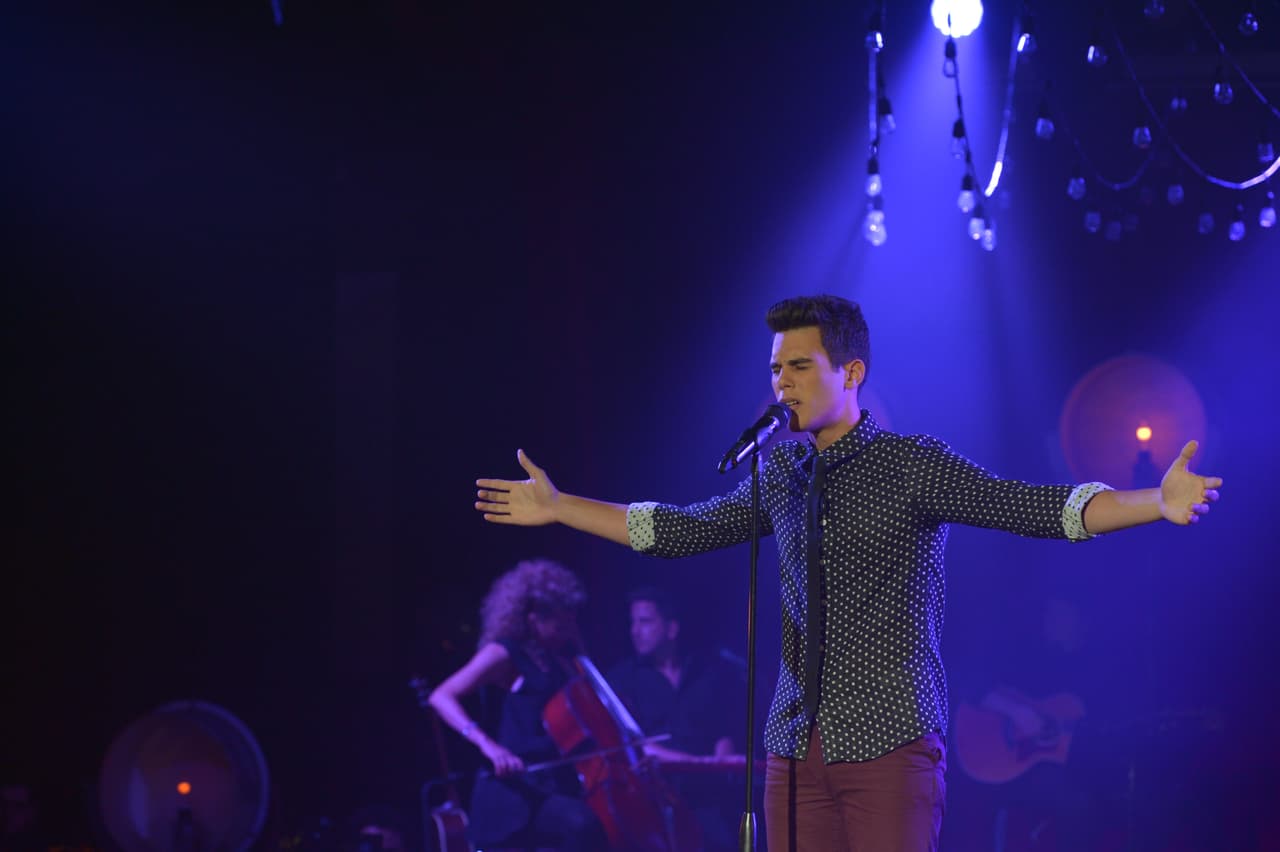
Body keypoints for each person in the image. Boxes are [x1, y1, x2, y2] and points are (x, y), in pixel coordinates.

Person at [472, 294, 1223, 851]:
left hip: (892, 742)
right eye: (774, 370)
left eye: (800, 366)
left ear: (851, 371)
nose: (782, 384)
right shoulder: (782, 475)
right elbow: (678, 529)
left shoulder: (911, 464)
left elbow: (1032, 507)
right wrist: (561, 506)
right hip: (793, 749)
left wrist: (1155, 501)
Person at [427, 559, 607, 852]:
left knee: (588, 828)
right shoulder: (503, 654)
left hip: (554, 784)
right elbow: (442, 696)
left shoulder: (559, 659)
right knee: (581, 823)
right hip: (513, 792)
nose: (568, 628)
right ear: (533, 618)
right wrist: (490, 747)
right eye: (560, 622)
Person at [607, 586, 747, 851]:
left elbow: (722, 730)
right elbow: (632, 746)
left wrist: (723, 760)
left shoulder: (710, 671)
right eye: (632, 622)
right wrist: (702, 763)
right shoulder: (623, 678)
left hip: (707, 796)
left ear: (672, 629)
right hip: (654, 797)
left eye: (645, 621)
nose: (635, 630)